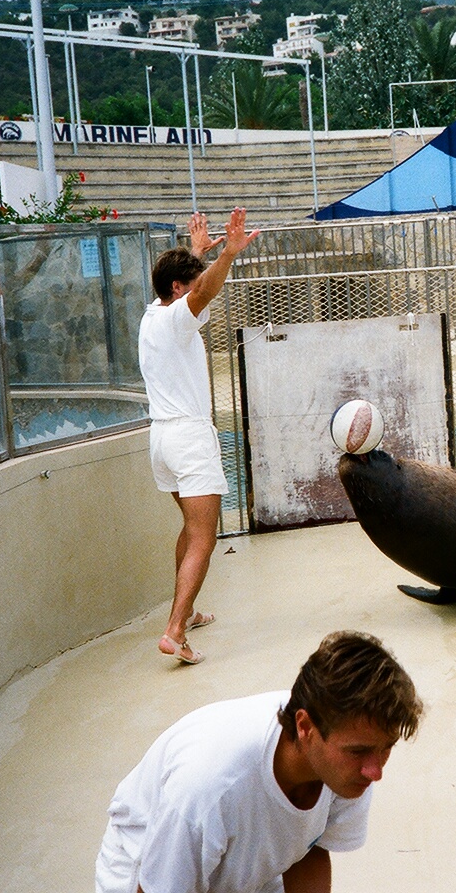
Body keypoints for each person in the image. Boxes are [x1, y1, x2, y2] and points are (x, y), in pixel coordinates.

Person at [95, 630, 424, 893]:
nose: (376, 770)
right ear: (305, 727)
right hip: (147, 870)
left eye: (387, 747)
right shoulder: (208, 784)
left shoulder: (349, 756)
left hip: (248, 869)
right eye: (359, 751)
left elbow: (309, 849)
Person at [140, 208, 258, 665]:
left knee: (190, 530)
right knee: (205, 539)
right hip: (189, 439)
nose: (199, 295)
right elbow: (204, 289)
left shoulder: (152, 316)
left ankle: (184, 615)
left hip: (161, 443)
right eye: (190, 282)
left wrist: (194, 253)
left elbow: (189, 282)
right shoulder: (178, 317)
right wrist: (227, 252)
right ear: (178, 289)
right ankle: (174, 631)